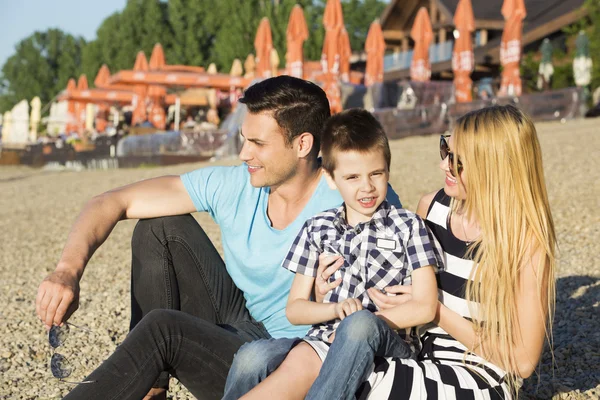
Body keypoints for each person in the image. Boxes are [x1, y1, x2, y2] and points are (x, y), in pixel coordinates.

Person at [35, 76, 401, 400]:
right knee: (159, 227)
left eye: (258, 143)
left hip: (287, 363)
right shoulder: (236, 185)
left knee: (165, 328)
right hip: (242, 323)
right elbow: (111, 201)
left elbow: (404, 284)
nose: (244, 154)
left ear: (303, 144)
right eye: (244, 140)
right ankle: (150, 388)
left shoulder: (353, 196)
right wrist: (67, 271)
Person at [225, 104, 556, 399]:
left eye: (456, 160)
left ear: (493, 167)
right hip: (413, 353)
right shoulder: (434, 207)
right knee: (260, 357)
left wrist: (437, 312)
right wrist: (328, 284)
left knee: (334, 363)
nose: (443, 165)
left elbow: (522, 362)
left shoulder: (525, 244)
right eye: (445, 148)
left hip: (476, 379)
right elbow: (389, 273)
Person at [224, 109, 444, 400]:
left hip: (389, 343)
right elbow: (296, 309)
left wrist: (357, 323)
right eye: (352, 177)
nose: (366, 187)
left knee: (358, 325)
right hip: (322, 339)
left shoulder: (408, 226)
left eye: (376, 174)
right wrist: (335, 310)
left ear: (388, 171)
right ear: (330, 177)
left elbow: (426, 307)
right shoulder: (318, 228)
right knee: (252, 356)